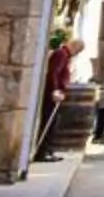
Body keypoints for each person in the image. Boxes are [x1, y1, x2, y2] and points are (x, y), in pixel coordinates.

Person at [34, 29, 79, 162]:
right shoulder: (61, 54)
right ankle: (42, 153)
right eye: (78, 51)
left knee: (53, 123)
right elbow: (53, 72)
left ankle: (48, 150)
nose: (77, 54)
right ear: (75, 47)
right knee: (48, 122)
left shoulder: (64, 55)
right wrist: (55, 90)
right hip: (53, 94)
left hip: (57, 93)